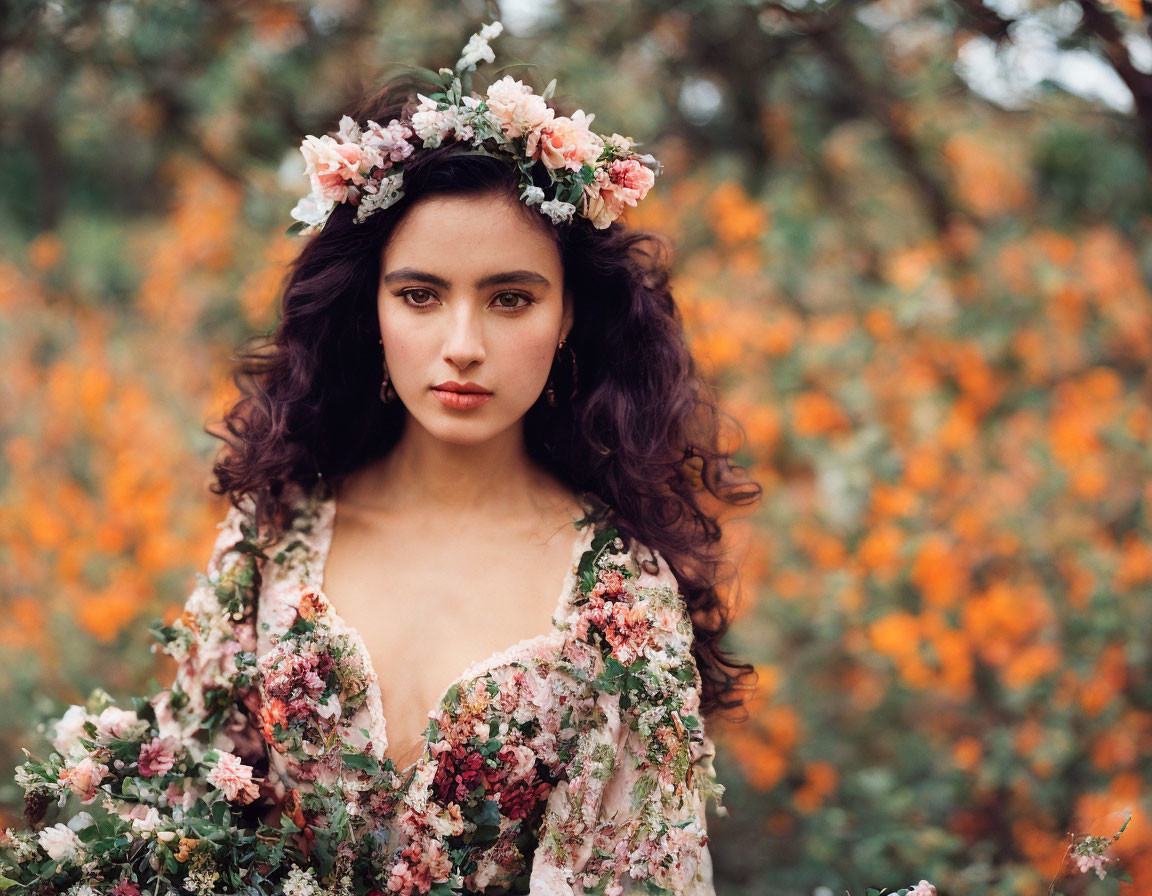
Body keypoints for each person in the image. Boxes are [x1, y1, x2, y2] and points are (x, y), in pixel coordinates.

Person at [10, 22, 760, 896]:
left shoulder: (620, 595)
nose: (463, 345)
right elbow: (183, 829)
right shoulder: (274, 537)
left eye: (511, 299)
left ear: (567, 320)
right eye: (420, 295)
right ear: (371, 308)